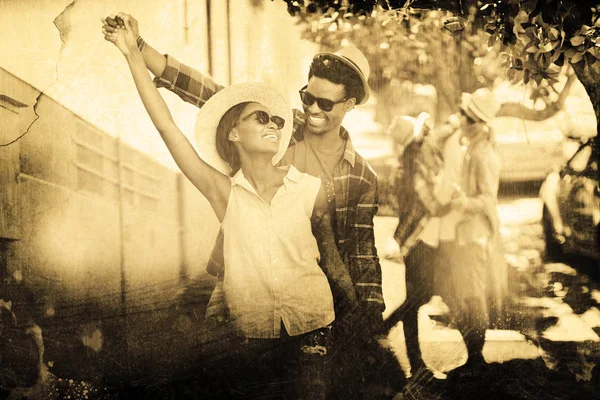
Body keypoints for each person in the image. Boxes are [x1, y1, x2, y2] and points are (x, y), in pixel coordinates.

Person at [102, 14, 400, 399]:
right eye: (306, 97)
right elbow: (211, 97)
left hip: (316, 306)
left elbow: (361, 252)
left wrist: (369, 318)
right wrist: (139, 51)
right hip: (247, 283)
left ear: (349, 105)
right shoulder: (281, 127)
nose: (311, 108)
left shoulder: (358, 177)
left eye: (324, 103)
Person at [439, 88, 506, 371]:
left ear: (477, 123)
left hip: (475, 235)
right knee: (464, 297)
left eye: (465, 116)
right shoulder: (471, 149)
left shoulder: (482, 155)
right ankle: (472, 359)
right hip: (464, 233)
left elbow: (487, 199)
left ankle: (475, 362)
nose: (460, 119)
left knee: (474, 299)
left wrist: (462, 202)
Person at [382, 113, 449, 383]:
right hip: (421, 237)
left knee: (420, 297)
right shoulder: (413, 158)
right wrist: (446, 205)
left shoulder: (409, 156)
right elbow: (424, 200)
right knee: (420, 297)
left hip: (414, 237)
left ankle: (410, 357)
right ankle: (414, 363)